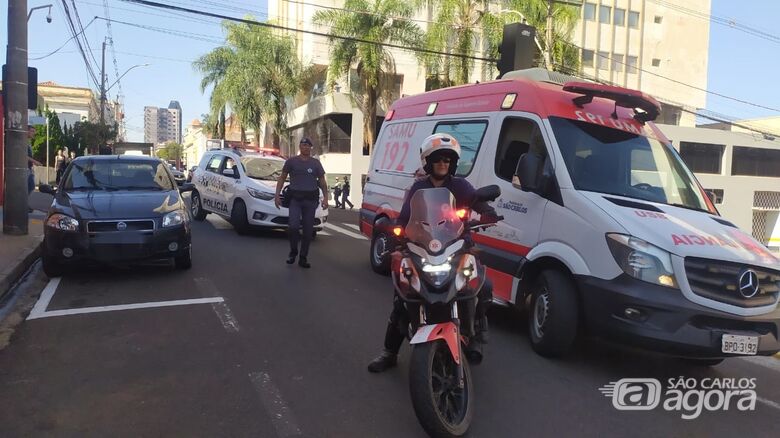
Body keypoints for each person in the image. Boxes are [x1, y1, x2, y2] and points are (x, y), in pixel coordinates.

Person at [367, 133, 498, 373]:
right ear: (428, 162)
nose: (443, 164)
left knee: (482, 285)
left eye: (447, 160)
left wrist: (487, 211)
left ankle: (477, 334)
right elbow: (406, 217)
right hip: (423, 249)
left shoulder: (459, 185)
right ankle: (389, 352)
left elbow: (476, 200)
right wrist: (397, 233)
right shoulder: (418, 187)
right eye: (438, 159)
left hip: (457, 246)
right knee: (404, 296)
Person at [274, 137, 329, 269]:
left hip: (310, 201)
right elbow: (282, 177)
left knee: (308, 231)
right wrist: (277, 195)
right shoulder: (291, 162)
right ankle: (293, 252)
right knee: (293, 226)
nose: (305, 147)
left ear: (311, 148)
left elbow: (322, 181)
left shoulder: (315, 163)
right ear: (300, 147)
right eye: (303, 145)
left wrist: (326, 197)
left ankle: (303, 257)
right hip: (295, 200)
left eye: (307, 145)